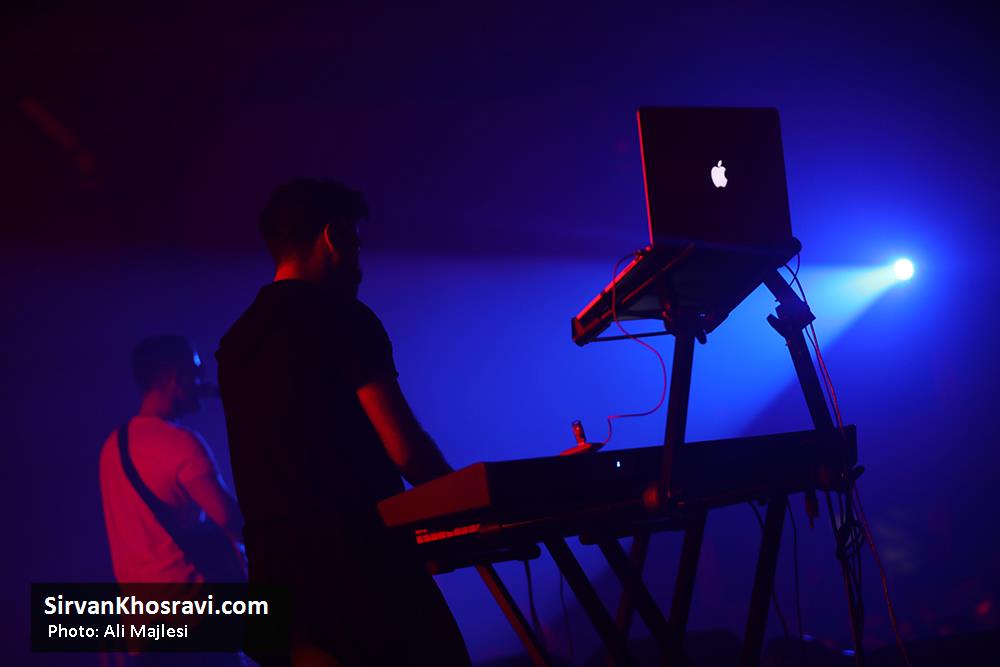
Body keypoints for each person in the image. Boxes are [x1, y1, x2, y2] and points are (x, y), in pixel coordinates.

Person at [215, 179, 471, 667]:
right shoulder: (344, 317)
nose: (360, 263)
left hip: (277, 583)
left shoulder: (235, 342)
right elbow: (406, 450)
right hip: (361, 571)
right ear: (332, 236)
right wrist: (476, 503)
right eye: (356, 242)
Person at [99, 335, 244, 584]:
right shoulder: (180, 442)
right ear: (175, 378)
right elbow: (231, 520)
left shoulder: (112, 446)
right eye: (197, 371)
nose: (202, 380)